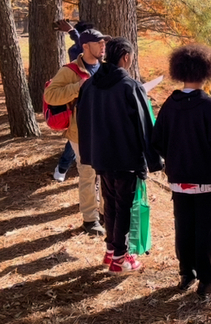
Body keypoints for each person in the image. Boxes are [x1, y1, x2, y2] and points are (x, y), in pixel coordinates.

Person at [151, 44, 211, 296]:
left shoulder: (170, 105)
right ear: (207, 72)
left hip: (179, 180)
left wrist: (174, 159)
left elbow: (157, 141)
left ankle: (185, 273)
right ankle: (207, 279)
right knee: (206, 231)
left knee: (184, 227)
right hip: (208, 182)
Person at [77, 37, 161, 272]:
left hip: (100, 156)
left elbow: (82, 120)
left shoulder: (90, 85)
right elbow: (144, 125)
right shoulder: (130, 86)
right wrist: (154, 160)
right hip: (125, 158)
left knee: (111, 203)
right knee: (123, 205)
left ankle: (111, 251)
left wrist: (89, 153)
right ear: (125, 57)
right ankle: (121, 258)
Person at [44, 28, 110, 234]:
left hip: (105, 131)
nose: (103, 46)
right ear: (85, 46)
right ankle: (90, 219)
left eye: (104, 43)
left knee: (106, 174)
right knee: (88, 174)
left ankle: (106, 213)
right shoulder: (70, 71)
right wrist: (77, 87)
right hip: (81, 133)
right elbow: (51, 96)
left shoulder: (106, 69)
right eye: (99, 43)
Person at [53, 20, 94, 182]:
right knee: (77, 137)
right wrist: (71, 31)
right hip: (81, 102)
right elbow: (82, 45)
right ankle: (62, 168)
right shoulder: (76, 51)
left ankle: (64, 168)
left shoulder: (96, 54)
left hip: (93, 102)